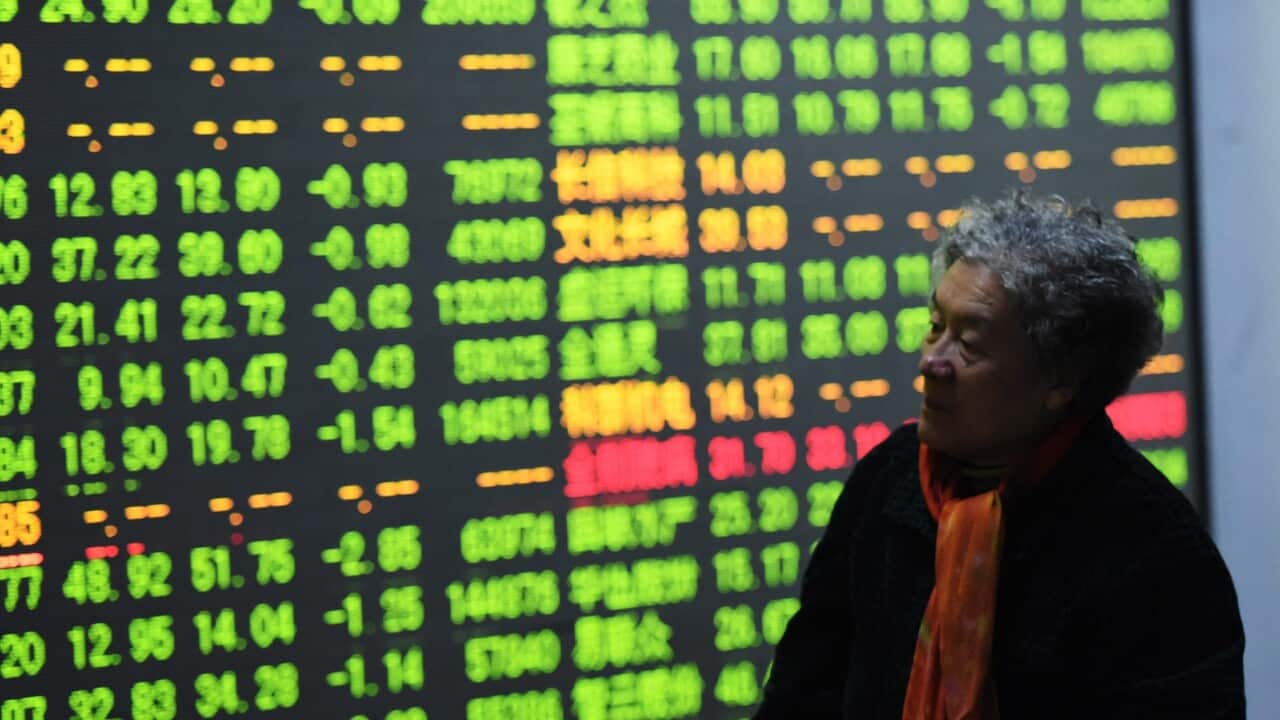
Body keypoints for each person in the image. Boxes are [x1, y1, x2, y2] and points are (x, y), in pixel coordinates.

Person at [753, 191, 1246, 719]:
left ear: (1060, 378)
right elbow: (804, 689)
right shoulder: (889, 478)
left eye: (970, 343)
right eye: (936, 325)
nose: (931, 362)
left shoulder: (1153, 552)